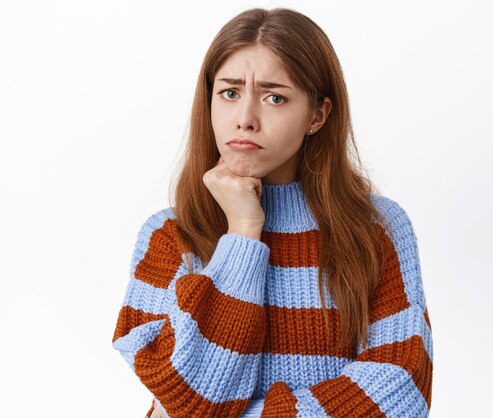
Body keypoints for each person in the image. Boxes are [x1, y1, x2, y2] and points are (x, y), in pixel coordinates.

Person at [111, 7, 433, 418]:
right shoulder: (168, 235)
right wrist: (243, 232)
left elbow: (402, 394)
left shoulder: (377, 230)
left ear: (317, 115)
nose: (244, 119)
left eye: (274, 97)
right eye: (229, 92)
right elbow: (190, 396)